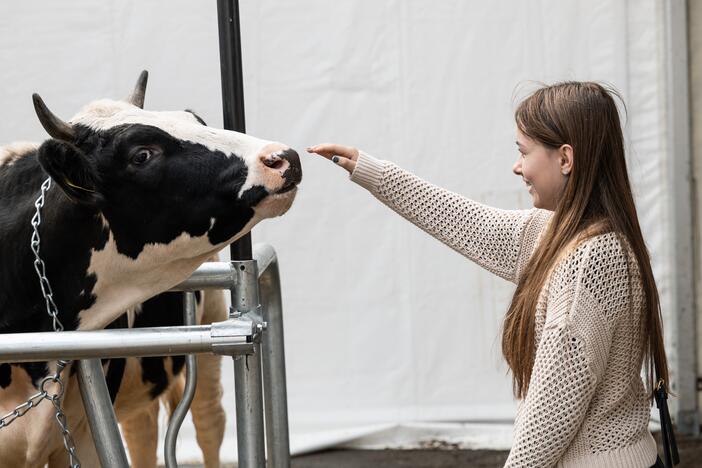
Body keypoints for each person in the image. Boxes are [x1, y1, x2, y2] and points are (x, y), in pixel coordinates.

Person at [307, 81, 668, 468]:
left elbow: (552, 411)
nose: (517, 167)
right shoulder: (556, 233)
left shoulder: (592, 256)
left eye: (523, 152)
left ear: (565, 159)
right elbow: (460, 219)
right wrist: (368, 169)